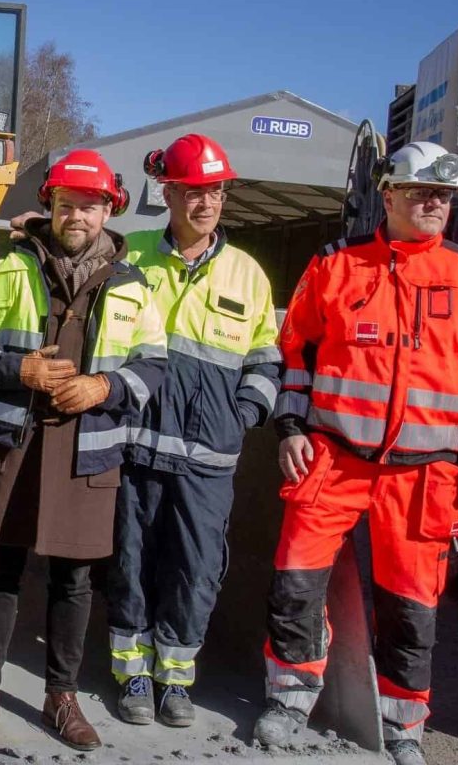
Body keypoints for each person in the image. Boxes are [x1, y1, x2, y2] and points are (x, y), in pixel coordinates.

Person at [254, 142, 458, 765]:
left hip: (427, 474)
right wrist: (290, 427)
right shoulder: (336, 265)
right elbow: (296, 354)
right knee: (296, 582)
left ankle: (404, 725)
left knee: (411, 606)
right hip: (333, 458)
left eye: (445, 196)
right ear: (389, 196)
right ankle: (289, 699)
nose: (434, 204)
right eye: (422, 192)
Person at [0, 150, 166, 750]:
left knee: (75, 578)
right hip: (13, 441)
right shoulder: (10, 265)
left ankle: (61, 697)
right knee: (1, 567)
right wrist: (18, 370)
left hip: (86, 448)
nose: (77, 216)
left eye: (90, 206)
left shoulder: (131, 283)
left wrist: (105, 387)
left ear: (108, 212)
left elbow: (154, 362)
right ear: (50, 205)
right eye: (67, 205)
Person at [108, 134, 282, 727]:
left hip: (209, 458)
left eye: (215, 191)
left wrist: (244, 415)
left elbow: (265, 360)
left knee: (196, 569)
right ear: (169, 193)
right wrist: (35, 230)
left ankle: (175, 680)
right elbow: (75, 257)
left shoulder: (248, 274)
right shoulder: (129, 255)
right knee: (129, 561)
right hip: (135, 446)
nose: (205, 203)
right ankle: (131, 674)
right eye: (192, 191)